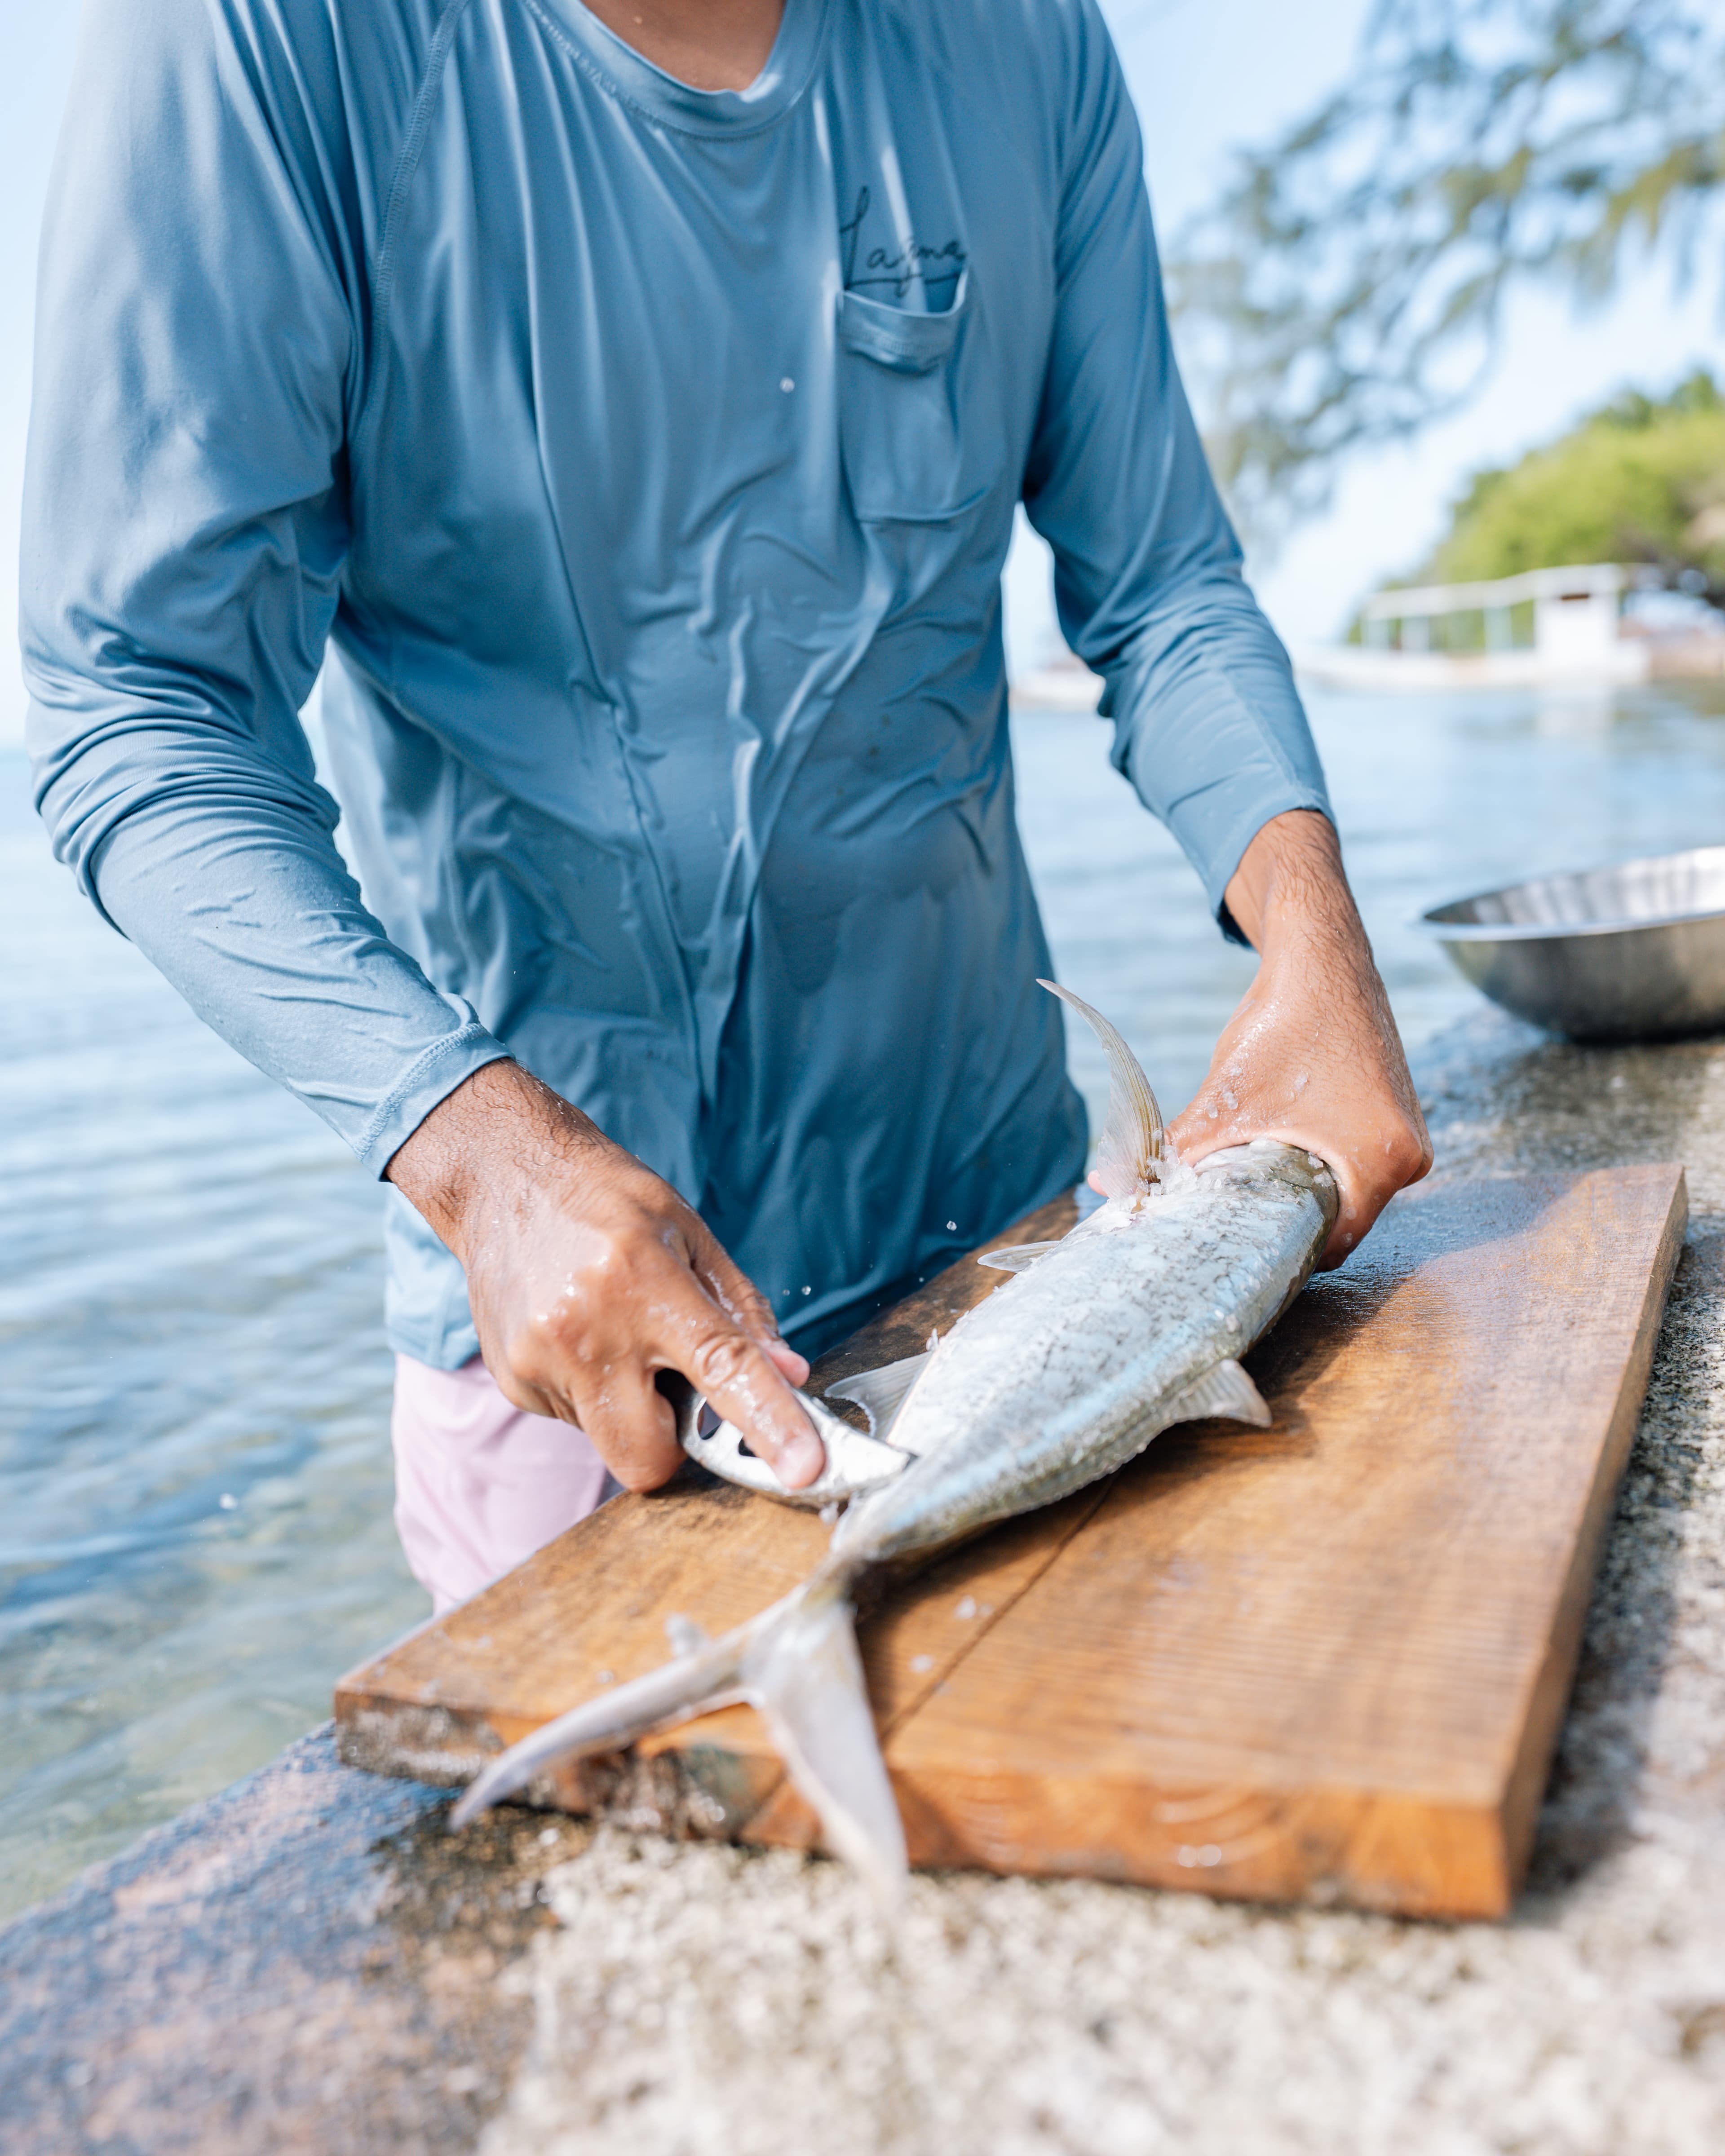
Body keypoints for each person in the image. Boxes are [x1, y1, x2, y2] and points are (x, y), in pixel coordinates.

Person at [22, 0, 1430, 1613]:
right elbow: (139, 699)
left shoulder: (1027, 42)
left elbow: (1167, 580)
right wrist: (482, 1159)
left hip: (1021, 1244)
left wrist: (1312, 934)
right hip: (578, 1359)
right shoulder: (259, 38)